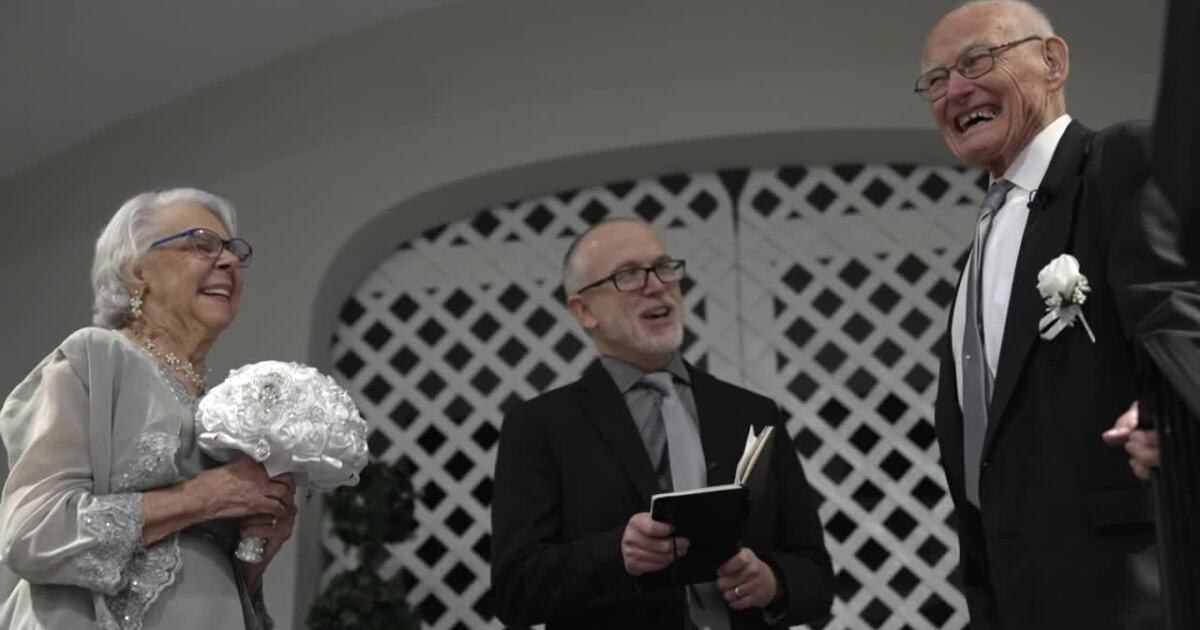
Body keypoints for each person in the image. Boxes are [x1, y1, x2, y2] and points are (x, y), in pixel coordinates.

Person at [917, 1, 1200, 628]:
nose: (955, 90)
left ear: (1053, 61)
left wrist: (1172, 414)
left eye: (977, 60)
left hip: (1130, 591)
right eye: (936, 80)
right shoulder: (978, 255)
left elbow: (1181, 321)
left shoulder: (1119, 165)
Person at [490, 218, 832, 629]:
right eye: (628, 275)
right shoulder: (541, 425)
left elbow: (815, 576)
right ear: (584, 311)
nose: (656, 285)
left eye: (664, 267)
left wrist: (773, 582)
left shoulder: (753, 413)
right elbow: (515, 592)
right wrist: (616, 556)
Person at [0, 188, 297, 630]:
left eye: (234, 250)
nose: (229, 262)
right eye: (201, 244)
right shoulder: (96, 358)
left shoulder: (223, 408)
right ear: (135, 271)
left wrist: (256, 555)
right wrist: (205, 497)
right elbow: (33, 534)